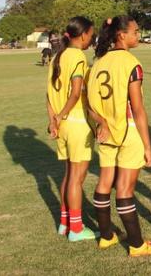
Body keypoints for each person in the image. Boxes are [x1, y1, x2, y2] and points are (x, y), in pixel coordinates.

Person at [87, 16, 151, 257]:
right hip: (128, 131)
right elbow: (138, 108)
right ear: (121, 35)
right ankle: (136, 244)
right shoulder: (131, 63)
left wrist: (102, 123)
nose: (138, 35)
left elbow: (89, 104)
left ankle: (107, 237)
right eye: (135, 31)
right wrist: (148, 146)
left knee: (104, 182)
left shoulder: (99, 63)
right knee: (124, 188)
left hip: (105, 132)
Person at [46, 16, 98, 241]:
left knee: (68, 174)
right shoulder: (78, 56)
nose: (92, 38)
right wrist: (63, 114)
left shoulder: (57, 56)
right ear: (84, 33)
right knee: (77, 177)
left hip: (63, 126)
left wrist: (54, 120)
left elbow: (49, 95)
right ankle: (76, 230)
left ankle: (65, 222)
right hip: (76, 123)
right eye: (91, 34)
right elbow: (76, 92)